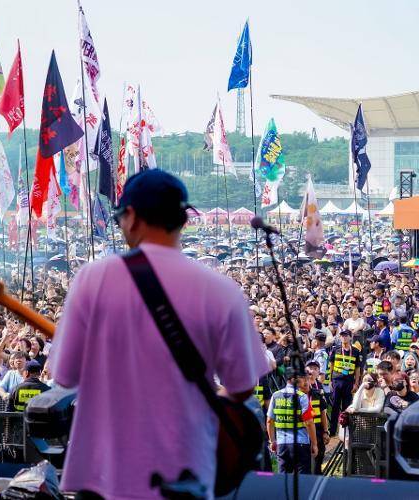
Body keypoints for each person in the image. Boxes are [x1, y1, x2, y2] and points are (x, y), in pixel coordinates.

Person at [50, 170, 269, 498]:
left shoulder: (92, 279)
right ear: (181, 220)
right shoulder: (222, 291)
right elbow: (242, 386)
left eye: (119, 218)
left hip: (104, 475)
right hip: (186, 473)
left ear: (133, 216)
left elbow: (64, 375)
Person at [267, 370, 317, 474]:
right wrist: (314, 444)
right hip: (301, 444)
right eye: (301, 377)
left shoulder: (275, 396)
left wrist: (272, 441)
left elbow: (269, 421)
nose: (303, 380)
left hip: (282, 444)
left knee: (283, 480)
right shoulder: (302, 397)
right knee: (302, 481)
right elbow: (309, 422)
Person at [328, 329, 362, 436]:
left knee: (347, 406)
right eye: (342, 336)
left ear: (350, 337)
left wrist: (356, 383)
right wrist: (329, 381)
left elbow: (357, 369)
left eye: (346, 335)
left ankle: (345, 430)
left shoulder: (355, 351)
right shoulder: (335, 349)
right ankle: (332, 430)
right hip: (337, 380)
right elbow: (331, 366)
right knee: (334, 406)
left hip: (348, 381)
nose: (344, 338)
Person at [305, 361, 329, 475]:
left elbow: (323, 413)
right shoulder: (296, 394)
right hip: (303, 432)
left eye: (315, 368)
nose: (312, 371)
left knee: (317, 460)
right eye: (310, 368)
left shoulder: (319, 389)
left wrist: (325, 431)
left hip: (318, 429)